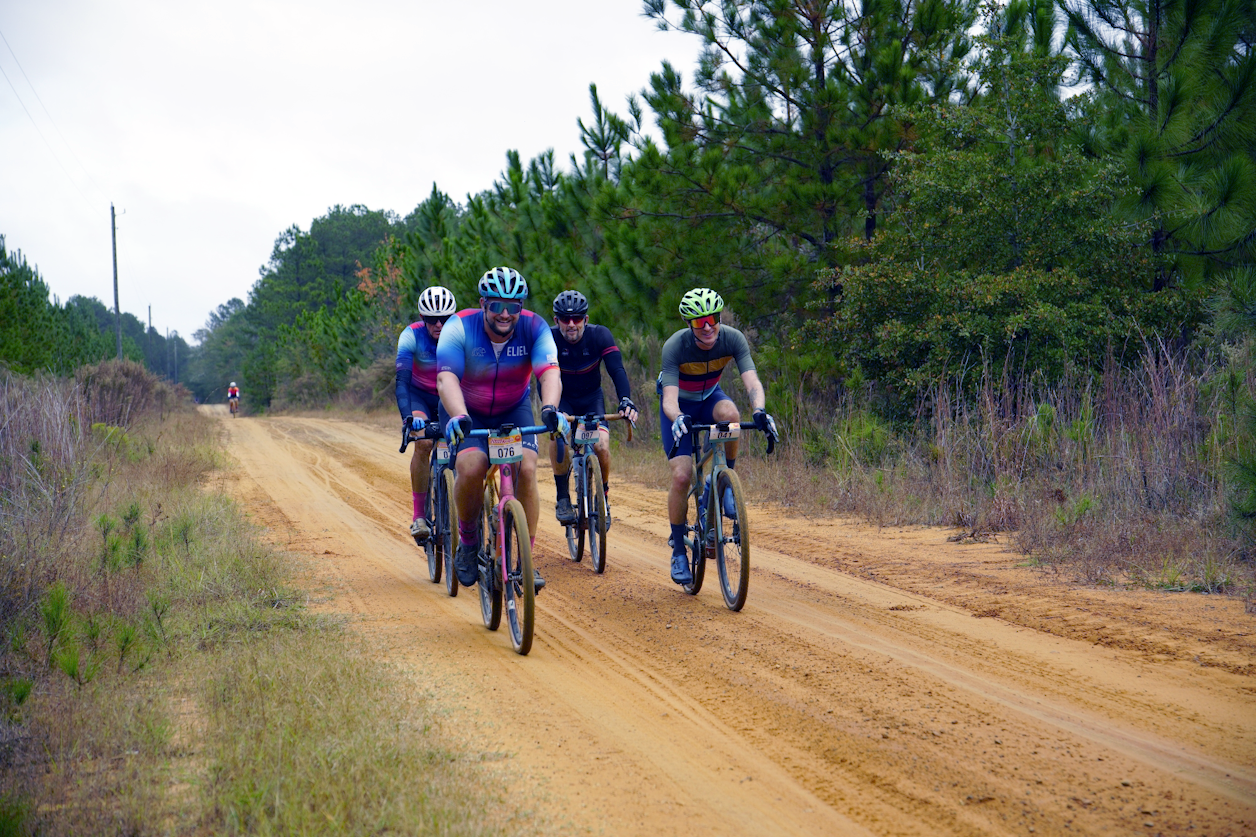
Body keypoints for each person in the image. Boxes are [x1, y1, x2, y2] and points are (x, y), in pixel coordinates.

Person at [437, 266, 568, 591]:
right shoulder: (460, 327)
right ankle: (468, 543)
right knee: (471, 467)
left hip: (514, 408)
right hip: (466, 411)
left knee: (526, 467)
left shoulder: (535, 327)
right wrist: (457, 415)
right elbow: (446, 378)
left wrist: (550, 408)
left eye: (514, 306)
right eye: (497, 305)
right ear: (483, 303)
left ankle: (526, 560)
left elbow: (550, 373)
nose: (506, 314)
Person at [658, 288, 779, 586]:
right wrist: (678, 418)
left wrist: (760, 410)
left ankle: (724, 481)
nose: (709, 326)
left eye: (713, 318)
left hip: (710, 397)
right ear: (689, 325)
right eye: (700, 323)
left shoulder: (732, 338)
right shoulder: (675, 346)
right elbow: (669, 400)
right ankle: (678, 551)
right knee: (682, 476)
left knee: (732, 414)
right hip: (680, 407)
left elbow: (752, 382)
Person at [549, 290, 638, 527]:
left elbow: (617, 370)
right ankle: (563, 497)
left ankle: (603, 498)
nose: (571, 324)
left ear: (585, 320)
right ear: (555, 320)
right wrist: (552, 409)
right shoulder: (549, 339)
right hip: (562, 399)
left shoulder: (600, 336)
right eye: (564, 319)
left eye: (577, 318)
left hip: (591, 399)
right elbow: (543, 378)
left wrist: (626, 399)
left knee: (602, 447)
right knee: (557, 438)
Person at [395, 285, 458, 544]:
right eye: (433, 320)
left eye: (444, 319)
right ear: (423, 319)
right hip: (420, 396)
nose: (439, 325)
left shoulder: (460, 335)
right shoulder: (411, 336)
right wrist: (408, 417)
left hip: (450, 396)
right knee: (423, 443)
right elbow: (401, 382)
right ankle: (419, 516)